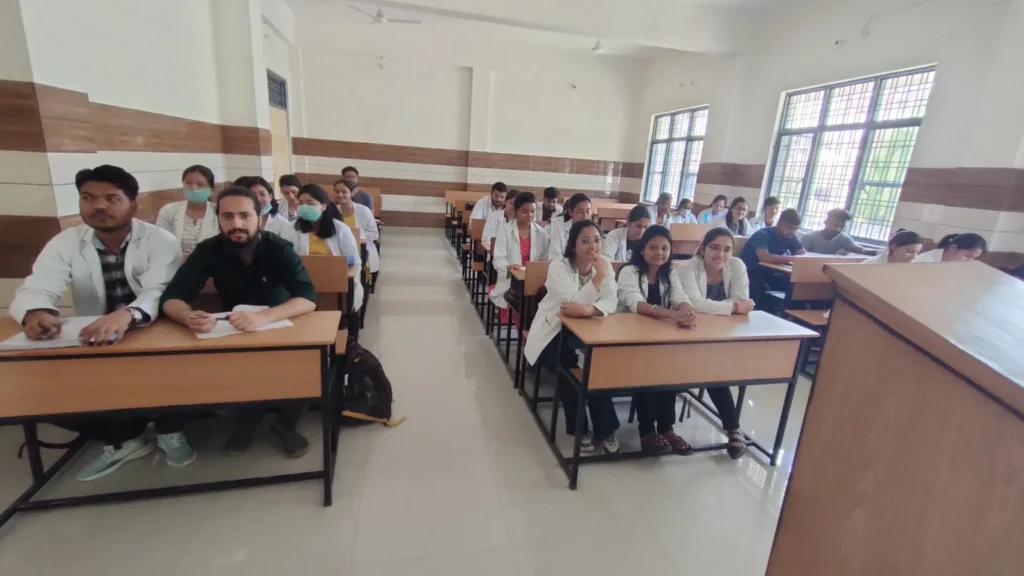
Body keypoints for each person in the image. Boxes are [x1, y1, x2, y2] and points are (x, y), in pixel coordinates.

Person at [11, 165, 190, 481]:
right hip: (96, 335)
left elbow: (159, 290)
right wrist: (35, 311)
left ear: (132, 204)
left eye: (112, 198)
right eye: (88, 198)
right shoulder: (66, 242)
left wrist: (128, 314)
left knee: (173, 371)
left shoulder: (159, 240)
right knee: (47, 396)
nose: (99, 206)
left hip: (153, 328)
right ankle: (126, 438)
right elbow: (39, 285)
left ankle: (168, 429)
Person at [160, 186, 318, 458]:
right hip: (234, 327)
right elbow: (173, 297)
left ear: (259, 217)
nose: (236, 224)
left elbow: (307, 297)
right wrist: (187, 315)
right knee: (236, 367)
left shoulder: (278, 248)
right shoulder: (209, 250)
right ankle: (246, 420)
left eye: (245, 216)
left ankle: (284, 425)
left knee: (306, 362)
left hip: (280, 323)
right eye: (228, 216)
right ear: (218, 219)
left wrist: (264, 316)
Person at [523, 220, 620, 453]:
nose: (592, 245)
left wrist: (588, 310)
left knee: (597, 366)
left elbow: (611, 301)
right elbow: (569, 305)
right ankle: (578, 428)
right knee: (569, 368)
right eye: (584, 241)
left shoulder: (604, 264)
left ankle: (605, 428)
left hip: (590, 329)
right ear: (573, 245)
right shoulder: (560, 266)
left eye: (596, 239)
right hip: (553, 331)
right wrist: (597, 280)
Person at [616, 226, 700, 455]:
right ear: (642, 250)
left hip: (659, 338)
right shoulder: (629, 272)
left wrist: (687, 311)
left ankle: (666, 428)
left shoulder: (669, 272)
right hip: (628, 338)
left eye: (664, 248)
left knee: (668, 370)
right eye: (653, 247)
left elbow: (679, 296)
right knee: (649, 369)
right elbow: (635, 303)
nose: (659, 253)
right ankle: (647, 430)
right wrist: (673, 315)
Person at [676, 227, 755, 459]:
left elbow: (743, 300)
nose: (721, 254)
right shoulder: (688, 267)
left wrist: (734, 306)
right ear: (703, 248)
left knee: (715, 366)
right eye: (715, 247)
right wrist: (733, 307)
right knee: (712, 369)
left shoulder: (737, 266)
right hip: (689, 332)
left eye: (727, 249)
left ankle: (733, 427)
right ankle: (733, 428)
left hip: (723, 335)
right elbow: (694, 303)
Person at [276, 183, 363, 311]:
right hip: (301, 283)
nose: (305, 207)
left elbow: (353, 259)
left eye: (310, 204)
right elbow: (283, 257)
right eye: (301, 203)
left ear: (323, 206)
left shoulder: (340, 229)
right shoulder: (290, 228)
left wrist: (340, 269)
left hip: (332, 281)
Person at [491, 192, 548, 309]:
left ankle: (529, 325)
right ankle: (526, 325)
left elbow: (544, 259)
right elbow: (498, 258)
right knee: (526, 302)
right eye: (525, 211)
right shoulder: (505, 231)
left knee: (543, 299)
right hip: (513, 281)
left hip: (534, 281)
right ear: (516, 211)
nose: (530, 215)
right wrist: (508, 267)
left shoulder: (541, 233)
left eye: (532, 211)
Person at [740, 208, 805, 309]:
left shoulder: (791, 237)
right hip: (751, 272)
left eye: (795, 229)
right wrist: (791, 259)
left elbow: (802, 255)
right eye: (788, 228)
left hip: (771, 273)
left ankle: (789, 315)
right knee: (760, 289)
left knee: (795, 287)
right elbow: (764, 257)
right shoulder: (763, 234)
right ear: (779, 222)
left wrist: (796, 258)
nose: (791, 232)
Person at [155, 164, 220, 257]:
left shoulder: (218, 212)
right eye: (188, 183)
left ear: (211, 189)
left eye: (200, 184)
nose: (194, 188)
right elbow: (159, 243)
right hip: (174, 264)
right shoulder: (168, 211)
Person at [332, 179, 381, 279]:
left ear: (352, 193)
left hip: (361, 249)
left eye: (344, 192)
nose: (340, 195)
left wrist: (358, 237)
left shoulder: (363, 210)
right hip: (340, 251)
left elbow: (374, 234)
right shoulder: (332, 211)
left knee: (356, 273)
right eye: (337, 192)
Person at [800, 208, 877, 255]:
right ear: (826, 222)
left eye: (842, 227)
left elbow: (861, 250)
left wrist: (880, 252)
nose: (838, 230)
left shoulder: (842, 238)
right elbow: (797, 259)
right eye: (835, 225)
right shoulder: (808, 238)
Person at [546, 193, 592, 260]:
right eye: (580, 212)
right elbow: (554, 258)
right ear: (570, 212)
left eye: (588, 211)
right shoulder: (559, 230)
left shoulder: (594, 231)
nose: (585, 216)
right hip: (563, 269)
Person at [913, 233, 987, 262]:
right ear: (954, 248)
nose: (970, 261)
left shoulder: (960, 267)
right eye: (967, 256)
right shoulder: (925, 261)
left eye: (974, 258)